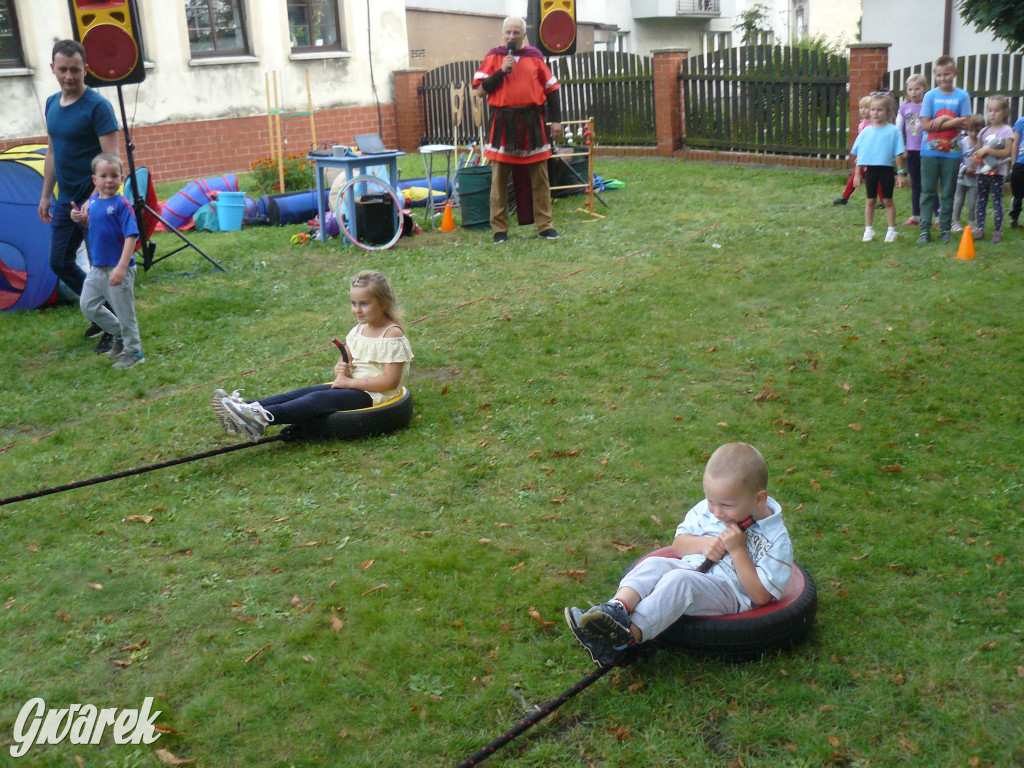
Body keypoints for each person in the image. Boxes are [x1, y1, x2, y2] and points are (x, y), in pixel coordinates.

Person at [565, 442, 793, 668]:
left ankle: (625, 641)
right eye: (711, 501)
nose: (716, 512)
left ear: (759, 499)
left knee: (680, 582)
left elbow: (761, 596)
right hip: (692, 568)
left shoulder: (775, 540)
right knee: (654, 564)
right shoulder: (708, 509)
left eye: (726, 505)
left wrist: (737, 550)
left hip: (729, 592)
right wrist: (705, 544)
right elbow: (679, 545)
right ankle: (616, 609)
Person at [212, 271, 413, 442]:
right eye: (353, 303)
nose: (357, 310)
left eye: (364, 304)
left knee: (317, 399)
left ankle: (261, 418)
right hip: (353, 385)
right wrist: (341, 368)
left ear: (384, 303)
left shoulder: (391, 334)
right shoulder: (360, 329)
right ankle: (245, 407)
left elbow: (390, 381)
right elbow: (346, 360)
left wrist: (349, 383)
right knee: (302, 393)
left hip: (375, 395)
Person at [38, 39, 121, 350]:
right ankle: (100, 313)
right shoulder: (51, 104)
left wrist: (93, 203)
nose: (69, 76)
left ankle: (114, 326)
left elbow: (112, 162)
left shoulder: (98, 107)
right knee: (59, 262)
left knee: (102, 268)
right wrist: (46, 195)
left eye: (75, 70)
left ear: (86, 69)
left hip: (96, 203)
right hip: (65, 200)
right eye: (62, 70)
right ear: (53, 69)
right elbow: (52, 151)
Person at [472, 16, 562, 243]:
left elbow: (551, 89)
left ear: (524, 35)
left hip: (533, 121)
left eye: (516, 33)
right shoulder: (494, 56)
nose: (511, 36)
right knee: (498, 181)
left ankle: (545, 226)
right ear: (503, 34)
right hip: (503, 121)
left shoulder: (535, 57)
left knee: (540, 179)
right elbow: (481, 91)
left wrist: (557, 120)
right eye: (508, 32)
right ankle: (499, 229)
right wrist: (502, 71)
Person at [69, 153, 144, 369]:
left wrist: (122, 267)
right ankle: (118, 333)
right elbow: (96, 224)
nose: (109, 180)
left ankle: (134, 352)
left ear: (122, 178)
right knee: (88, 305)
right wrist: (82, 218)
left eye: (114, 175)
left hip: (118, 268)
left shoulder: (122, 205)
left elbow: (131, 236)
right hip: (98, 268)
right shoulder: (92, 202)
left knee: (125, 312)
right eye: (103, 176)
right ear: (95, 180)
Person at [917, 56, 972, 244]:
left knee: (948, 192)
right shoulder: (930, 96)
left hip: (952, 153)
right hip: (930, 152)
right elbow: (925, 125)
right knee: (928, 191)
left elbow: (967, 122)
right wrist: (952, 121)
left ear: (954, 74)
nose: (943, 78)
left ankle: (945, 229)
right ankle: (924, 229)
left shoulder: (962, 96)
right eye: (939, 75)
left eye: (947, 74)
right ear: (935, 76)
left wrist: (945, 121)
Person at [851, 93, 906, 243]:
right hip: (871, 171)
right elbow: (860, 155)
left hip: (886, 171)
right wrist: (857, 174)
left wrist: (900, 174)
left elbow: (898, 155)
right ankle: (868, 229)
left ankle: (891, 230)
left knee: (888, 200)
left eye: (879, 110)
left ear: (888, 111)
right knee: (870, 200)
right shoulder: (865, 132)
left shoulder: (894, 131)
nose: (875, 113)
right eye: (872, 109)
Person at [971, 95, 1014, 244]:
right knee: (981, 201)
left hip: (997, 173)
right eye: (990, 110)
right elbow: (978, 152)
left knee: (997, 202)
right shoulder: (983, 131)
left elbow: (1006, 152)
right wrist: (975, 158)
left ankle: (997, 231)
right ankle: (980, 228)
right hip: (982, 172)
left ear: (1004, 113)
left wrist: (988, 150)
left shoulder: (1007, 131)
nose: (992, 114)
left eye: (996, 111)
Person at [833, 96, 878, 206]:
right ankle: (845, 196)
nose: (863, 110)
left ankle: (883, 200)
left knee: (877, 179)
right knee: (855, 175)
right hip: (863, 157)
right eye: (861, 107)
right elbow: (860, 142)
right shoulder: (861, 124)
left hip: (873, 156)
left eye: (866, 107)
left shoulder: (874, 125)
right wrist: (859, 155)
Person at [896, 74, 928, 226]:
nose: (913, 92)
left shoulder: (929, 106)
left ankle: (938, 213)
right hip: (912, 151)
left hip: (928, 150)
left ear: (924, 89)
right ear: (906, 91)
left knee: (928, 183)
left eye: (917, 89)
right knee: (915, 183)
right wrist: (901, 148)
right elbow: (898, 129)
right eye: (910, 89)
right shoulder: (904, 108)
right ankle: (916, 216)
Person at [950, 114, 985, 234]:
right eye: (971, 130)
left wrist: (979, 169)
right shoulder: (962, 142)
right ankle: (955, 222)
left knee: (973, 202)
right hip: (961, 177)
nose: (974, 134)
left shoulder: (982, 144)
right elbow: (957, 159)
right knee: (958, 200)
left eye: (977, 131)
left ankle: (971, 222)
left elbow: (984, 159)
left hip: (975, 179)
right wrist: (965, 169)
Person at [1009, 112, 1024, 230]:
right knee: (1017, 194)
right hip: (1020, 164)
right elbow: (1015, 143)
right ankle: (1014, 217)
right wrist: (1014, 162)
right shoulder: (1021, 122)